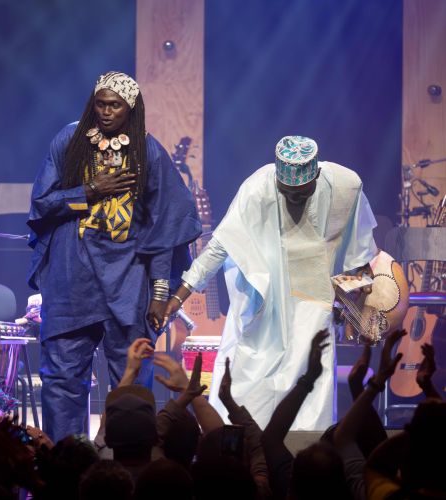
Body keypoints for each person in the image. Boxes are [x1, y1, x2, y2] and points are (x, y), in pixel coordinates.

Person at [27, 71, 201, 443]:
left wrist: (159, 293)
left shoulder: (148, 152)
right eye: (100, 104)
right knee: (62, 380)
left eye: (115, 106)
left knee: (132, 384)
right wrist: (89, 190)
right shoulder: (70, 141)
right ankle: (65, 463)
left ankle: (130, 465)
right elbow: (42, 203)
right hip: (72, 280)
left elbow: (165, 226)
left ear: (131, 109)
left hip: (128, 284)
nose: (106, 112)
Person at [164, 135, 378, 430]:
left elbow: (360, 256)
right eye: (286, 191)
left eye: (301, 192)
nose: (293, 199)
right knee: (247, 384)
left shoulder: (345, 186)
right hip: (262, 304)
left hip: (313, 303)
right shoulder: (256, 189)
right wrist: (178, 297)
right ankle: (237, 448)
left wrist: (357, 305)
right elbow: (220, 246)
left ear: (316, 175)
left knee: (310, 389)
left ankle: (305, 452)